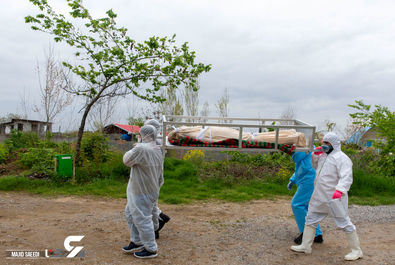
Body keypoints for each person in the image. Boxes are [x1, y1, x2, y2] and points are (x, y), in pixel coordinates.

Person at [290, 132, 363, 261]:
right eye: (323, 143)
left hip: (334, 197)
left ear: (334, 144)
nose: (324, 145)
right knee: (310, 218)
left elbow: (346, 176)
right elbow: (314, 166)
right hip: (319, 195)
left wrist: (340, 190)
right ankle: (306, 246)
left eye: (327, 143)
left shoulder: (342, 158)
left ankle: (356, 251)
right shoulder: (323, 156)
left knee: (344, 222)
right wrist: (315, 155)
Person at [122, 125, 164, 259]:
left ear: (143, 134)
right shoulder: (157, 148)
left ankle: (151, 248)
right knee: (130, 213)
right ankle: (137, 241)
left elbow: (126, 160)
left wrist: (136, 146)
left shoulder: (141, 148)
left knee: (142, 219)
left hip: (141, 190)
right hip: (148, 189)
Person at [287, 151, 323, 244]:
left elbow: (301, 162)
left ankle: (306, 234)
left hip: (308, 180)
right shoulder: (308, 150)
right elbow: (300, 168)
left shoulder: (304, 151)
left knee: (297, 205)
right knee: (307, 208)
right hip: (307, 180)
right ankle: (316, 234)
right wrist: (293, 179)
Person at [144, 119, 171, 239]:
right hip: (156, 176)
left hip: (151, 177)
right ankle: (160, 219)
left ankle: (155, 229)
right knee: (152, 203)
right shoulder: (157, 142)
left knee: (150, 205)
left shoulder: (154, 143)